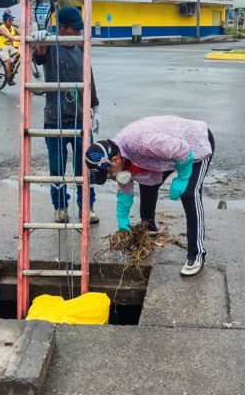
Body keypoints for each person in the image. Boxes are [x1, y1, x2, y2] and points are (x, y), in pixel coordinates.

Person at [85, 116, 215, 276]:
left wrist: (183, 177)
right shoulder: (118, 158)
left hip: (194, 146)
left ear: (115, 159)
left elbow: (183, 150)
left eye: (108, 172)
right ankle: (149, 232)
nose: (110, 176)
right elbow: (125, 187)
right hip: (164, 156)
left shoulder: (141, 143)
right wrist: (122, 218)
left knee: (189, 194)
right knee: (147, 185)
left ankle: (196, 255)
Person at [33, 6, 100, 224]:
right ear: (62, 28)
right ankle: (60, 206)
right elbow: (39, 57)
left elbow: (89, 77)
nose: (77, 32)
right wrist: (41, 42)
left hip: (81, 118)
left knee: (85, 167)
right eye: (73, 29)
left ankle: (86, 208)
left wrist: (95, 108)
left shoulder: (81, 47)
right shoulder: (51, 45)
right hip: (55, 119)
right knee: (57, 168)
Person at [0, 10, 20, 85]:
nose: (11, 21)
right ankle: (9, 79)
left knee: (20, 54)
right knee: (8, 61)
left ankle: (11, 67)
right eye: (9, 20)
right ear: (4, 21)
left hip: (9, 47)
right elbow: (8, 36)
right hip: (1, 48)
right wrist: (17, 38)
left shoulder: (13, 28)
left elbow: (21, 32)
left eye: (12, 20)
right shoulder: (1, 29)